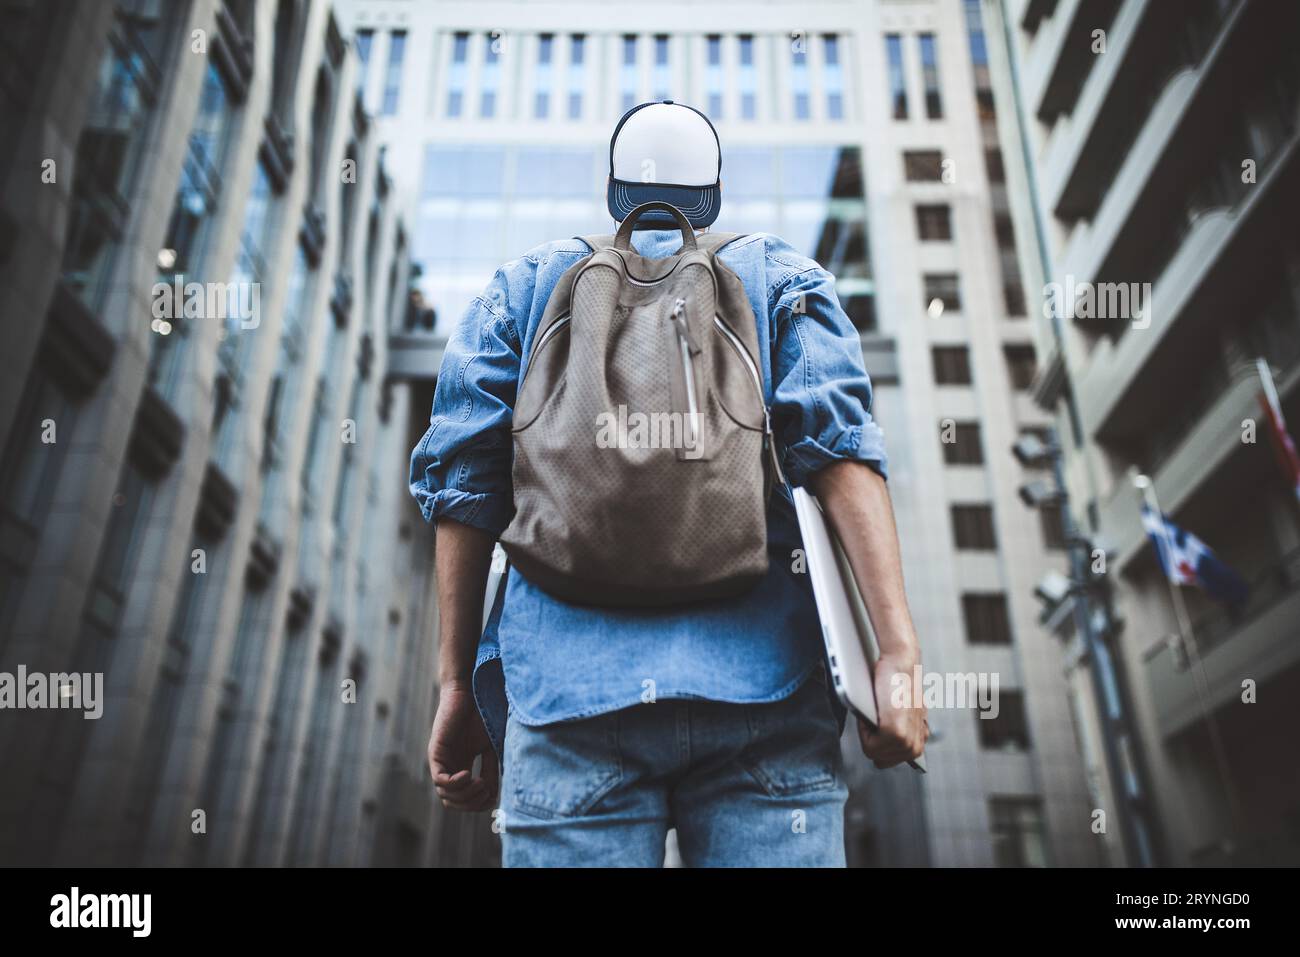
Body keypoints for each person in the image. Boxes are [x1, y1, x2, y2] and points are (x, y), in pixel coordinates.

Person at [410, 100, 927, 867]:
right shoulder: (778, 278)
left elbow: (464, 484)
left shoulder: (524, 286)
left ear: (615, 190)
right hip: (766, 690)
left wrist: (457, 684)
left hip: (567, 700)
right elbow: (842, 453)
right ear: (712, 194)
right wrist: (897, 654)